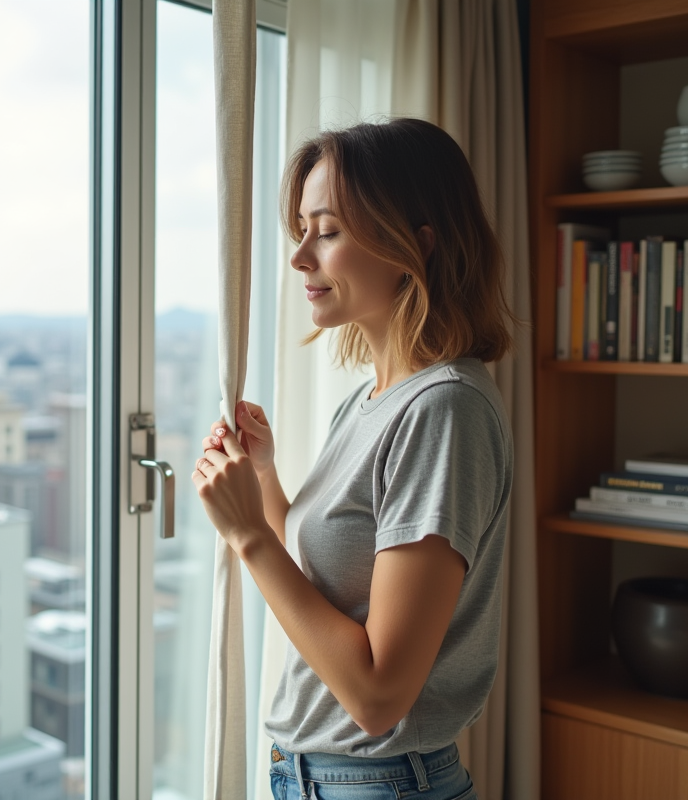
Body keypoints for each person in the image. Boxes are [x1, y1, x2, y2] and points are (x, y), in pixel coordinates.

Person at [191, 118, 516, 800]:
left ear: (415, 244)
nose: (299, 256)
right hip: (318, 778)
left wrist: (248, 536)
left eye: (328, 231)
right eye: (302, 230)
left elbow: (378, 696)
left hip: (377, 783)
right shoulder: (373, 401)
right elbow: (326, 583)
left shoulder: (443, 411)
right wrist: (263, 480)